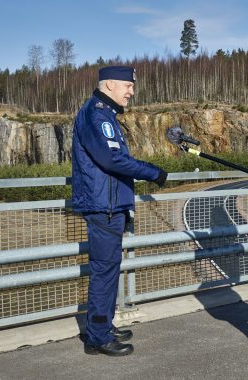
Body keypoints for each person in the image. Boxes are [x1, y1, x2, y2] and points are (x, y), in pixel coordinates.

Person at [72, 66, 167, 356]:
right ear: (109, 84)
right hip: (103, 207)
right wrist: (153, 172)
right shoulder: (96, 114)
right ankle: (98, 338)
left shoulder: (104, 114)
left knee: (109, 269)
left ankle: (103, 325)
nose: (132, 92)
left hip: (110, 205)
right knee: (104, 271)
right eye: (128, 86)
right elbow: (112, 159)